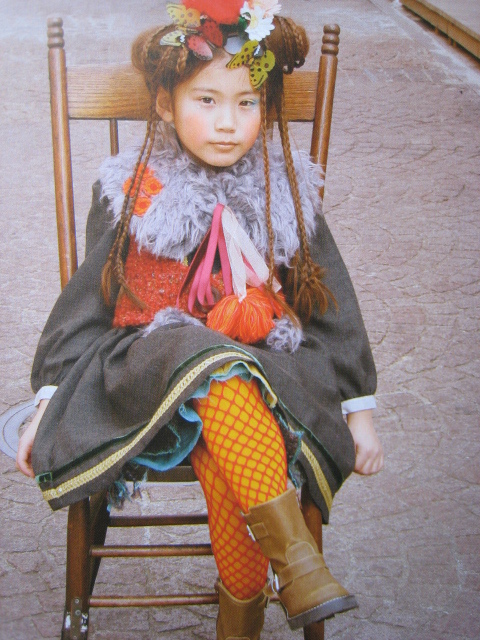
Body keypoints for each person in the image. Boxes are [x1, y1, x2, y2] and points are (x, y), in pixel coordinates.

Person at [17, 1, 383, 637]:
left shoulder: (284, 191)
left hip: (262, 373)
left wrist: (361, 411)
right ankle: (299, 564)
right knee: (206, 356)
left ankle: (246, 614)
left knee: (227, 432)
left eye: (247, 103)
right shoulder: (134, 189)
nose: (228, 123)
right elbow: (85, 304)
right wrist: (49, 400)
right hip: (149, 372)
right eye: (206, 100)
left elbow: (332, 304)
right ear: (165, 104)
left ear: (266, 108)